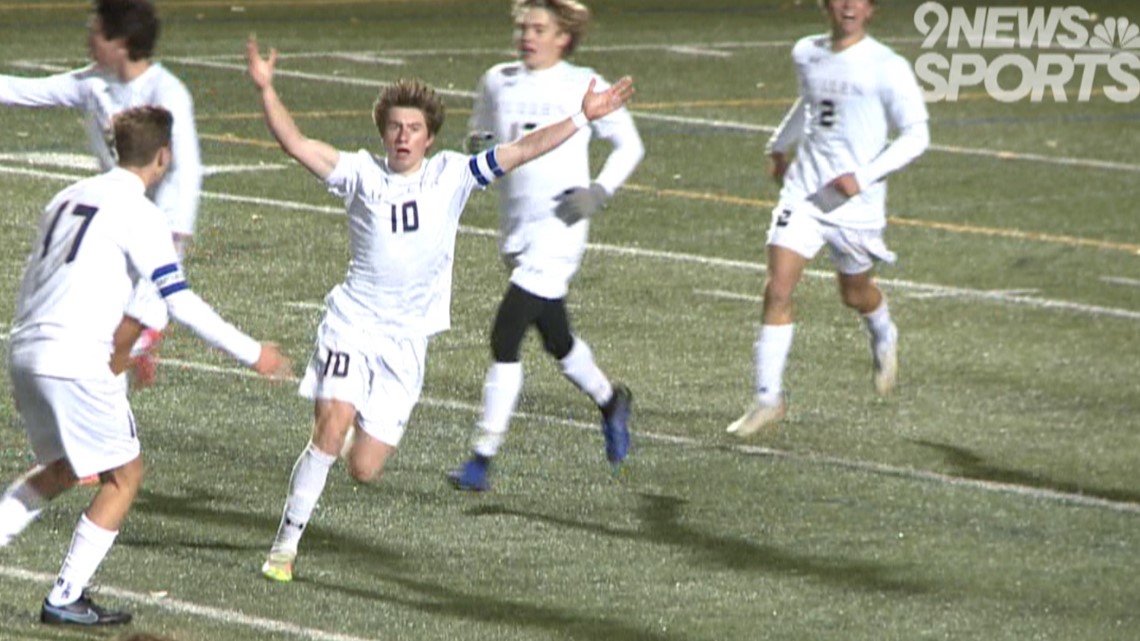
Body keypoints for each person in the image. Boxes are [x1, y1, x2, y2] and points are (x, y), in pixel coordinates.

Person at [244, 36, 635, 582]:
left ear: (429, 138)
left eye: (414, 129)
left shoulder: (452, 174)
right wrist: (266, 89)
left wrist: (580, 117)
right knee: (330, 431)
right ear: (383, 130)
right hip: (352, 324)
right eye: (395, 127)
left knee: (364, 467)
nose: (403, 137)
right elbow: (295, 143)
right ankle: (283, 551)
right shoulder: (359, 172)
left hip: (406, 341)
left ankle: (347, 420)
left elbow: (521, 151)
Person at [0, 106, 290, 626]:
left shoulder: (64, 196)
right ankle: (66, 597)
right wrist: (254, 353)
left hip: (25, 350)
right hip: (73, 357)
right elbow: (176, 300)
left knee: (68, 466)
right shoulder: (142, 213)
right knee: (125, 475)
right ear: (164, 156)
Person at [447, 0, 645, 492]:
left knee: (505, 334)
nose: (527, 36)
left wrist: (598, 192)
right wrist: (479, 148)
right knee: (557, 339)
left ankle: (481, 457)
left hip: (562, 227)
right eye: (523, 27)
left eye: (539, 28)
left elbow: (630, 145)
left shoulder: (584, 83)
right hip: (516, 231)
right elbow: (480, 133)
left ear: (564, 36)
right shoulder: (498, 79)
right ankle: (611, 401)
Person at [726, 0, 930, 437]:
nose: (848, 6)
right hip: (804, 193)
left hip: (855, 206)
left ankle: (883, 332)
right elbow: (811, 103)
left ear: (871, 8)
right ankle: (767, 398)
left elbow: (917, 136)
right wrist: (780, 145)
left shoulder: (887, 66)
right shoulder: (806, 52)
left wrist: (862, 177)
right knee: (778, 286)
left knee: (855, 294)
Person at [0, 0, 204, 383]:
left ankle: (140, 341)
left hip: (146, 238)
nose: (88, 40)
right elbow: (22, 90)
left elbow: (186, 171)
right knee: (99, 348)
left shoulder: (168, 91)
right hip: (110, 231)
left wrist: (172, 241)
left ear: (121, 42)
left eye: (95, 32)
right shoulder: (94, 82)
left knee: (109, 357)